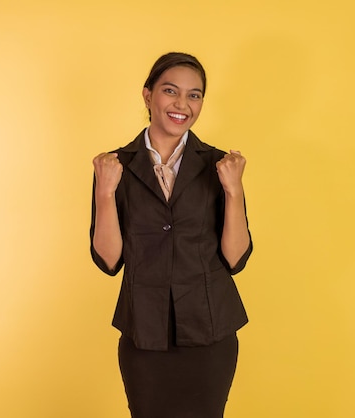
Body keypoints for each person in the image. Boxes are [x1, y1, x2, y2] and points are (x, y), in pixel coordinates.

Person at [90, 52, 253, 418]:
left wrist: (234, 191)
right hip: (144, 332)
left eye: (194, 95)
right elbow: (109, 260)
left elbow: (235, 258)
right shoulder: (114, 166)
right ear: (148, 96)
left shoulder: (220, 165)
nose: (182, 104)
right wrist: (104, 192)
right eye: (170, 91)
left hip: (210, 330)